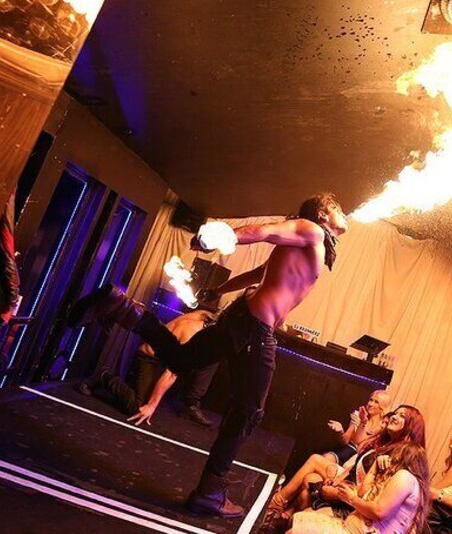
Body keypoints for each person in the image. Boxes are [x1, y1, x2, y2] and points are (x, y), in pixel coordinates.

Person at [68, 192, 348, 517]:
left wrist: (219, 290)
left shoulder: (307, 244)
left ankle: (123, 308)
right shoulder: (311, 230)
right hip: (255, 330)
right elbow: (265, 231)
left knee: (181, 360)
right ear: (323, 214)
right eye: (336, 207)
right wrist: (224, 236)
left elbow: (260, 272)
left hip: (243, 319)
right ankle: (209, 492)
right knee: (248, 412)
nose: (344, 212)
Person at [265, 405, 426, 528]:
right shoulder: (384, 443)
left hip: (356, 509)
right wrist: (339, 480)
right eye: (395, 413)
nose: (394, 416)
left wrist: (339, 493)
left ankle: (277, 507)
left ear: (411, 426)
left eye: (402, 416)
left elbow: (373, 496)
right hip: (350, 490)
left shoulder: (401, 456)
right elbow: (357, 452)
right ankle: (278, 512)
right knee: (310, 481)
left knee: (313, 471)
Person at [77, 308, 220, 425]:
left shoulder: (204, 316)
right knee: (137, 408)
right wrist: (152, 405)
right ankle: (103, 376)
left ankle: (191, 403)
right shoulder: (190, 334)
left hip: (162, 357)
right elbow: (170, 374)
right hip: (148, 359)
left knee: (210, 360)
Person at [289, 442, 431, 534]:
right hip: (349, 528)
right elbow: (364, 493)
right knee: (296, 521)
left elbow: (378, 512)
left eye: (395, 455)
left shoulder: (405, 477)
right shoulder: (400, 478)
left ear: (404, 457)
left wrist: (351, 498)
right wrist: (375, 467)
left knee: (294, 530)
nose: (391, 459)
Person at [327, 390, 391, 464]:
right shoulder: (358, 416)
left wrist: (363, 422)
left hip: (363, 457)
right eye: (371, 400)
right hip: (348, 450)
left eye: (376, 402)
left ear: (383, 407)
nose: (370, 404)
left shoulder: (384, 425)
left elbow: (362, 444)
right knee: (326, 458)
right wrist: (340, 431)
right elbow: (345, 441)